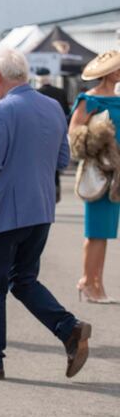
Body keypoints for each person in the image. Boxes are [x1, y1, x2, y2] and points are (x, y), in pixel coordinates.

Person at [0, 49, 91, 381]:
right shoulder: (52, 106)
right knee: (24, 280)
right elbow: (62, 160)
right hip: (41, 208)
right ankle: (68, 327)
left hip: (2, 211)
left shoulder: (2, 110)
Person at [69, 49, 120, 303]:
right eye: (117, 67)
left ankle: (94, 281)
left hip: (116, 173)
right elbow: (75, 133)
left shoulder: (117, 98)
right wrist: (99, 138)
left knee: (106, 231)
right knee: (96, 230)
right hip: (99, 170)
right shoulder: (89, 99)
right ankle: (89, 282)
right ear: (107, 71)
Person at [36, 67, 69, 204]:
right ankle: (55, 193)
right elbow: (67, 112)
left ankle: (44, 194)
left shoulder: (36, 93)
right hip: (57, 131)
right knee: (55, 163)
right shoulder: (60, 92)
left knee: (43, 165)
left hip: (39, 134)